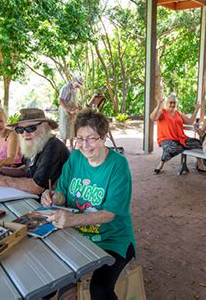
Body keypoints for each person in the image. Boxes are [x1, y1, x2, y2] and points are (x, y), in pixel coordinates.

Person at [41, 109, 135, 300]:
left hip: (112, 239)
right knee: (47, 279)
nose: (85, 145)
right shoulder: (75, 158)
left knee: (100, 290)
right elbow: (62, 193)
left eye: (91, 138)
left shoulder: (118, 165)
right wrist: (52, 197)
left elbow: (110, 213)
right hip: (77, 236)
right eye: (80, 139)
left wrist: (72, 220)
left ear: (103, 137)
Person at [0, 108, 70, 194]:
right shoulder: (36, 145)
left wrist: (0, 180)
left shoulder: (52, 147)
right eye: (20, 130)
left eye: (30, 128)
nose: (25, 134)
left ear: (46, 127)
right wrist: (4, 171)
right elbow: (26, 170)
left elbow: (37, 187)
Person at [150, 93, 206, 174]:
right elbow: (152, 118)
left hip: (181, 140)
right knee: (171, 148)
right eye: (170, 102)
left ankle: (200, 166)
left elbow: (190, 122)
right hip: (167, 140)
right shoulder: (162, 112)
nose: (172, 104)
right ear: (167, 103)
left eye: (174, 102)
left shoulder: (178, 113)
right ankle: (161, 163)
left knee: (198, 143)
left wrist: (196, 110)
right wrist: (158, 105)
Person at [58, 75, 84, 149]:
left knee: (72, 130)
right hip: (65, 112)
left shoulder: (75, 89)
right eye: (78, 85)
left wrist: (78, 106)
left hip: (73, 111)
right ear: (74, 81)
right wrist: (69, 109)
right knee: (65, 130)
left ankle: (72, 147)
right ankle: (64, 148)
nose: (79, 87)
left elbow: (74, 100)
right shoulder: (65, 88)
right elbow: (61, 101)